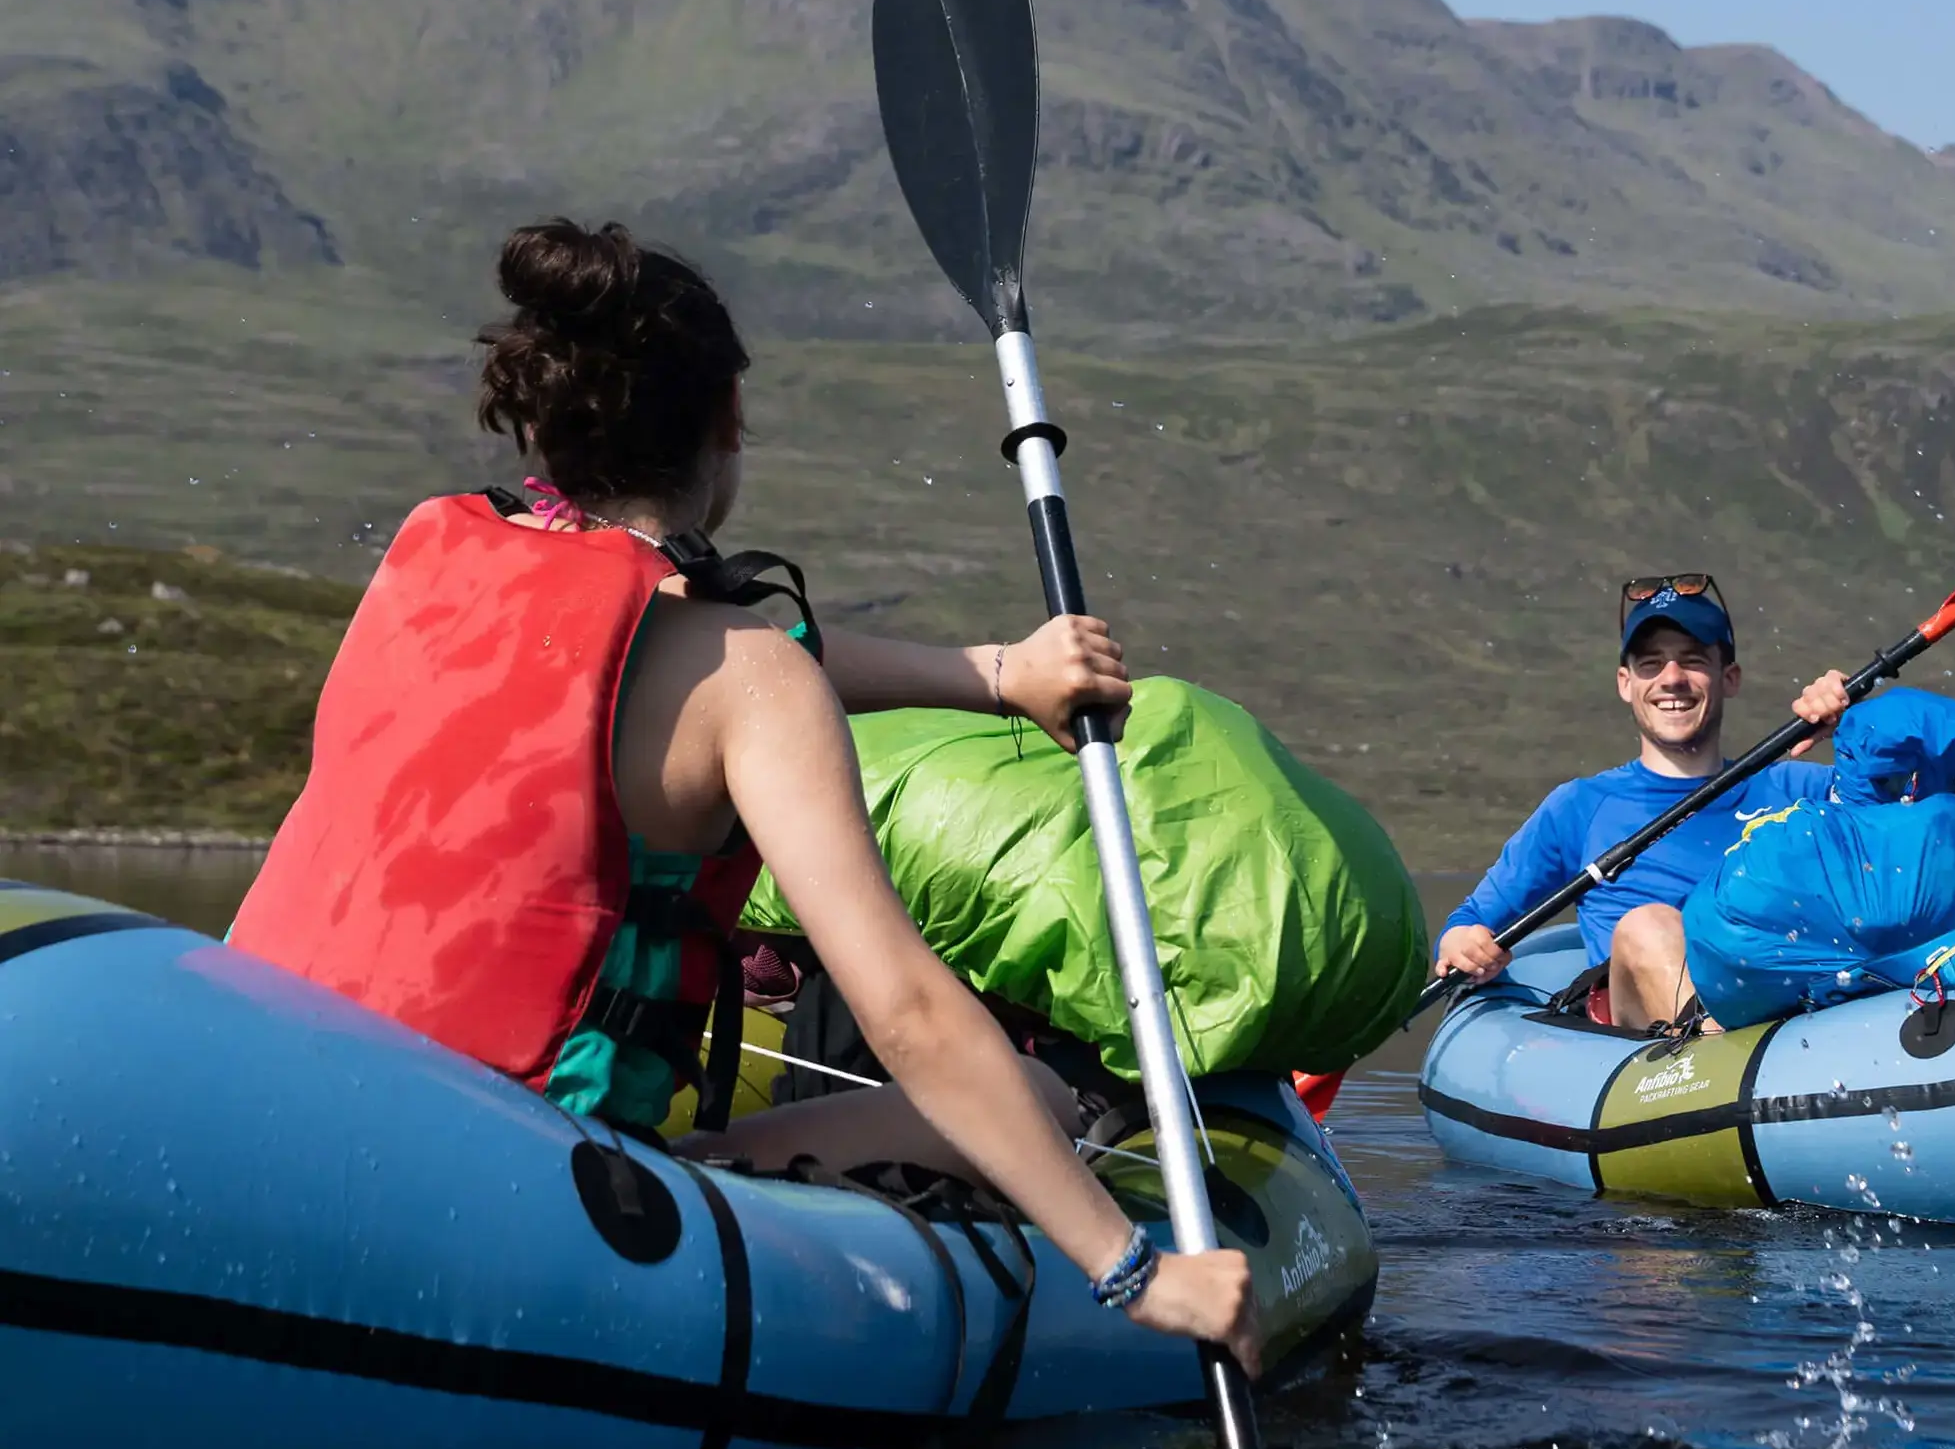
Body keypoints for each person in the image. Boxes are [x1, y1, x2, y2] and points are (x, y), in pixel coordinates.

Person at [231, 218, 1258, 1372]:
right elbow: (906, 1012)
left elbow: (695, 656)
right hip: (519, 1191)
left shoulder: (431, 561)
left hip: (281, 1119)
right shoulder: (746, 681)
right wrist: (1138, 1272)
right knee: (1024, 1091)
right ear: (727, 426)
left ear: (543, 421)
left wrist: (993, 674)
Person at [1431, 575, 1851, 1030]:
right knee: (1647, 926)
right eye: (1651, 664)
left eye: (1692, 661)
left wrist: (1854, 726)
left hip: (1791, 1003)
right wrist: (1462, 942)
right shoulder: (1579, 807)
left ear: (1728, 678)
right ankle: (1718, 1039)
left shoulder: (1801, 789)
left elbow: (1918, 813)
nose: (1672, 680)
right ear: (1625, 683)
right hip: (1657, 1039)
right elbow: (1472, 920)